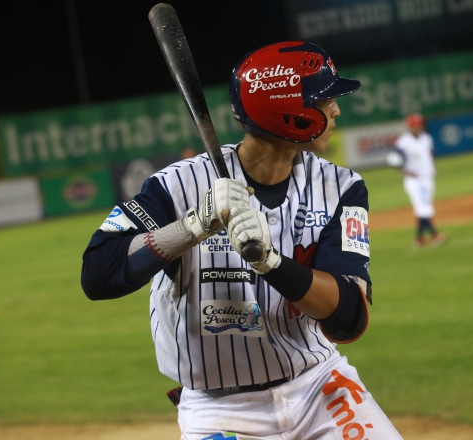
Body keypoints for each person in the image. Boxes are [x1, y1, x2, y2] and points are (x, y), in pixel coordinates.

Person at [81, 41, 402, 440]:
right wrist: (192, 227)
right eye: (325, 99)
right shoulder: (177, 186)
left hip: (319, 387)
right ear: (290, 114)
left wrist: (269, 261)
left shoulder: (341, 188)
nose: (335, 109)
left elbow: (348, 316)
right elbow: (97, 275)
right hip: (218, 411)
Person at [388, 113, 446, 248]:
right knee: (424, 208)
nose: (420, 126)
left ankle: (419, 239)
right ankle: (435, 235)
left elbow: (430, 155)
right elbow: (393, 159)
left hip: (428, 178)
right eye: (416, 124)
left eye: (420, 124)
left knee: (423, 208)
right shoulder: (403, 142)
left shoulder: (426, 138)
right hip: (416, 180)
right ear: (410, 126)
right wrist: (405, 171)